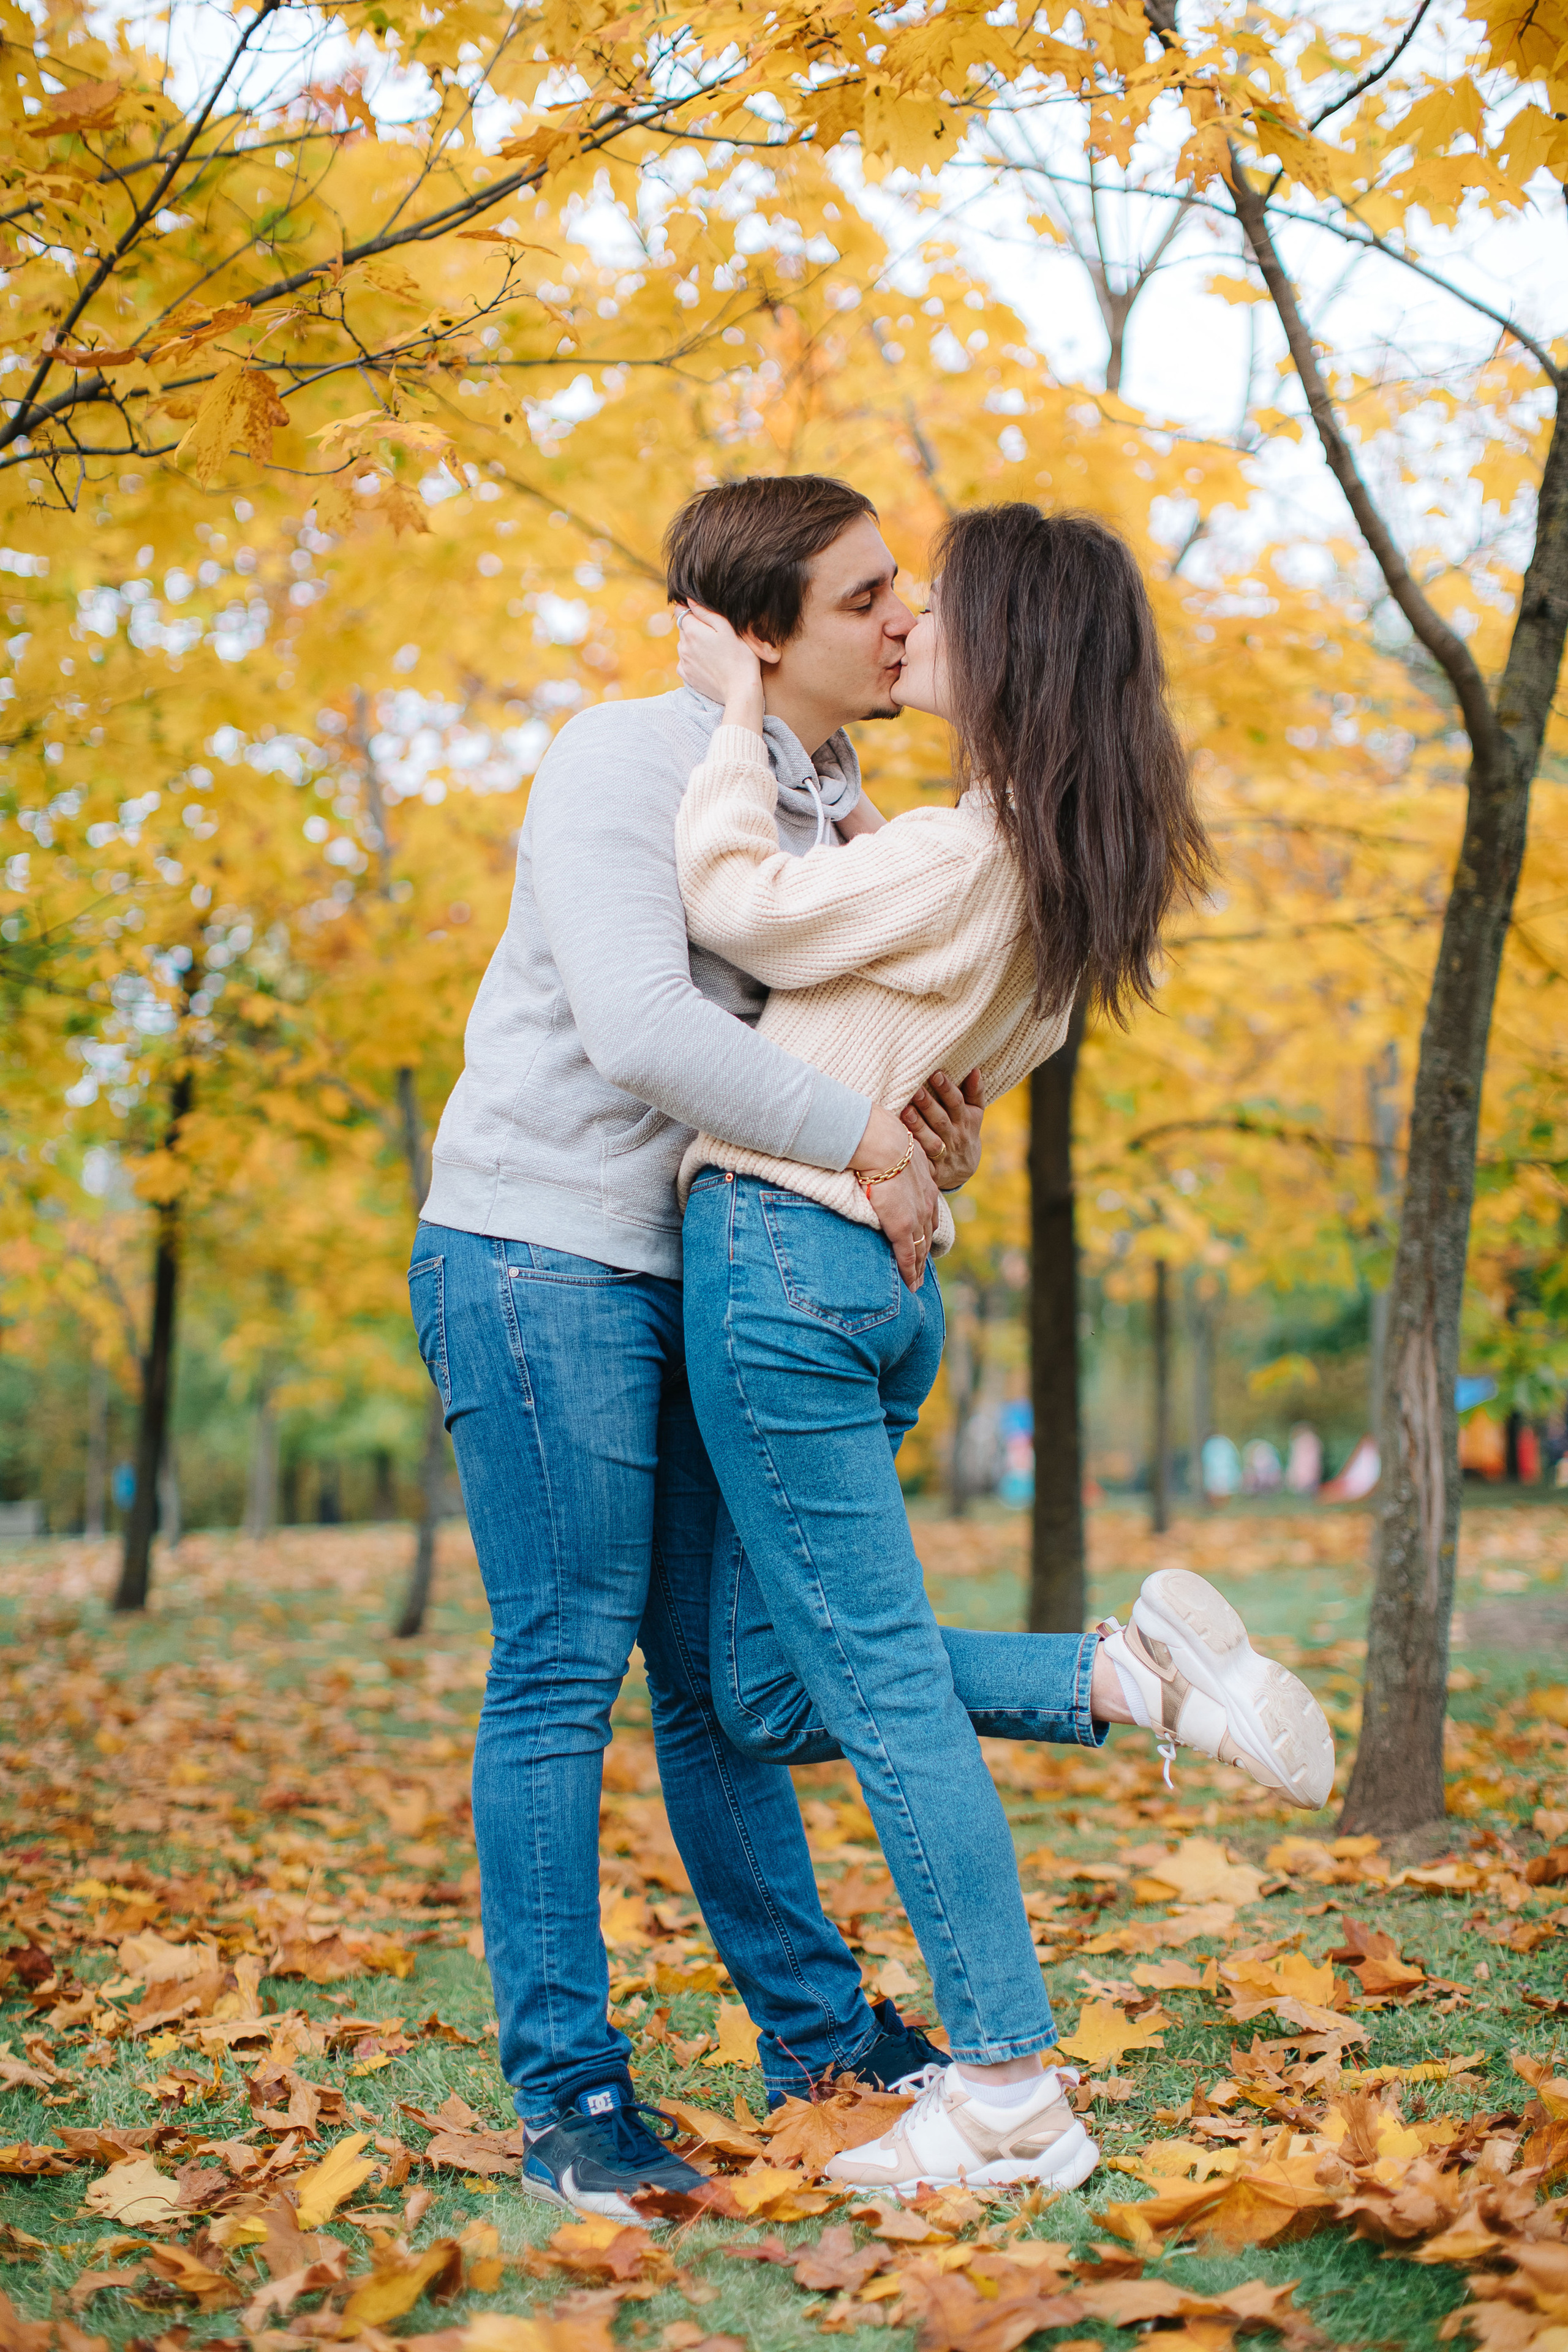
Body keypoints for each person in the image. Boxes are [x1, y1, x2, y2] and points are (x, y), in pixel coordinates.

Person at [673, 501, 1336, 2196]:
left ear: (1014, 645)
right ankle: (1121, 1680)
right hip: (873, 1289)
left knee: (879, 1697)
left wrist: (733, 714)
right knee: (764, 1685)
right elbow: (919, 1060)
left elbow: (741, 910)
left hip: (780, 1259)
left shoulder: (966, 847)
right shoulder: (1045, 869)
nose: (906, 629)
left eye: (938, 608)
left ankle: (1010, 2093)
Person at [407, 475, 995, 2223]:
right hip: (541, 1251)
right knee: (563, 1663)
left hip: (710, 1271)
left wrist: (918, 1128)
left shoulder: (833, 815)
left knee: (717, 1687)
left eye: (902, 591)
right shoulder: (622, 758)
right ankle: (572, 2096)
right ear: (755, 638)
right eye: (864, 597)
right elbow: (643, 1024)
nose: (905, 618)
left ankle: (819, 2039)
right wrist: (862, 1137)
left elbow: (834, 1061)